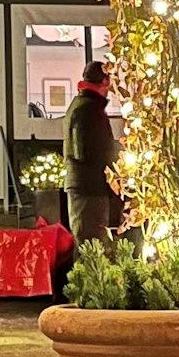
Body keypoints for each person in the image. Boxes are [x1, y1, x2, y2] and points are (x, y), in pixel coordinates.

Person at [63, 60, 121, 242]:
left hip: (84, 185)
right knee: (90, 243)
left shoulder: (82, 104)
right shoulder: (89, 108)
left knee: (88, 240)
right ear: (105, 81)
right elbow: (86, 151)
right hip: (90, 188)